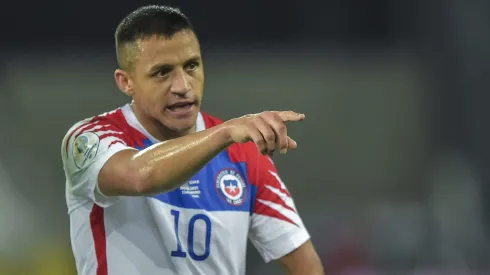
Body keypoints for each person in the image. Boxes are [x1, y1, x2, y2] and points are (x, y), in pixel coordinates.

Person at [61, 5, 324, 275]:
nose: (182, 86)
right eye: (162, 72)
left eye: (191, 66)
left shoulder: (243, 155)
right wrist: (224, 133)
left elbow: (306, 265)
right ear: (126, 82)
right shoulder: (92, 139)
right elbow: (140, 176)